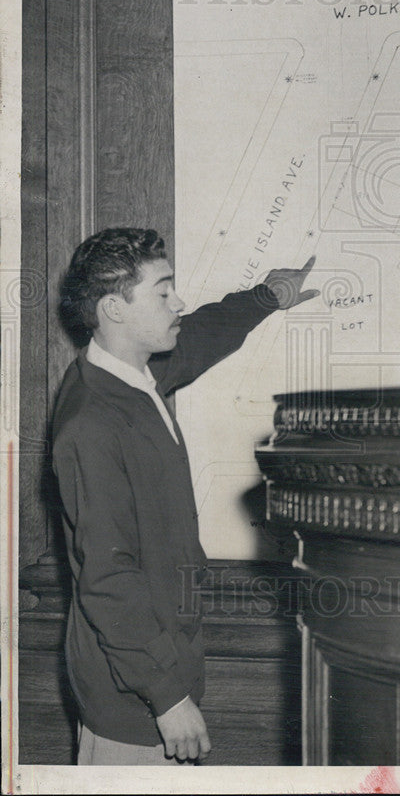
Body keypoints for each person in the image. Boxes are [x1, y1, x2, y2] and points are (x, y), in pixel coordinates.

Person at [52, 227, 318, 765]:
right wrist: (167, 697)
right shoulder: (92, 423)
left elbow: (199, 334)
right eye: (163, 291)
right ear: (114, 309)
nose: (179, 302)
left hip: (157, 675)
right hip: (132, 697)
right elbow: (107, 578)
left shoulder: (132, 373)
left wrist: (267, 296)